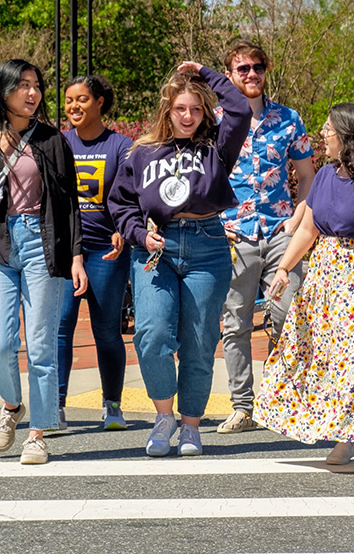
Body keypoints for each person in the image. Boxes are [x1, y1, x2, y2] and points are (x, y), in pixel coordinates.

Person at [254, 103, 354, 478]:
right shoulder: (326, 176)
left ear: (349, 137)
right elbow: (308, 231)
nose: (322, 135)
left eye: (329, 130)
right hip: (327, 278)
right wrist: (282, 270)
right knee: (330, 361)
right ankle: (344, 436)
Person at [107, 62, 252, 457]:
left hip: (208, 246)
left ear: (205, 112)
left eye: (195, 109)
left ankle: (190, 426)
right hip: (156, 248)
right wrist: (140, 233)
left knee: (200, 342)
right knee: (151, 335)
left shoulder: (216, 148)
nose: (188, 117)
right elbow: (120, 203)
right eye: (180, 109)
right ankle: (163, 417)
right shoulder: (142, 153)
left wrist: (207, 73)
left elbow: (239, 108)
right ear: (167, 111)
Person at [0, 59, 87, 466]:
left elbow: (69, 204)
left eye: (36, 86)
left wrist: (77, 255)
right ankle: (13, 405)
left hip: (42, 244)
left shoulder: (52, 141)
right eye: (23, 86)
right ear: (4, 90)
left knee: (42, 344)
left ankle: (37, 433)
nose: (33, 93)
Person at [216, 40, 316, 435]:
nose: (252, 74)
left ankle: (279, 398)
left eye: (258, 66)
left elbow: (307, 174)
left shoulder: (288, 119)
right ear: (229, 74)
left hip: (279, 233)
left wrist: (297, 220)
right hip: (232, 234)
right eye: (243, 68)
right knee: (235, 322)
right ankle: (243, 405)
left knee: (287, 315)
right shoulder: (215, 119)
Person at [55, 75, 133, 431]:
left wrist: (123, 230)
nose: (73, 106)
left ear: (100, 102)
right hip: (64, 252)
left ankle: (112, 405)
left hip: (106, 252)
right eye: (69, 100)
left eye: (82, 99)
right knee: (60, 328)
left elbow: (132, 196)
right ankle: (54, 405)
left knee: (106, 332)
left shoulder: (121, 145)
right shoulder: (58, 143)